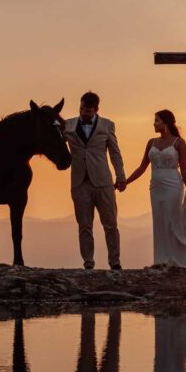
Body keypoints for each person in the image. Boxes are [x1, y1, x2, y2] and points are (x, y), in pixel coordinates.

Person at [122, 109, 186, 267]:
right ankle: (160, 259)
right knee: (159, 220)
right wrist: (126, 181)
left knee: (171, 220)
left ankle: (175, 259)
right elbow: (142, 167)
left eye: (157, 121)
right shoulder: (151, 142)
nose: (154, 123)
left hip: (173, 185)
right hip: (156, 186)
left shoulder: (179, 143)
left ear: (165, 123)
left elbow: (184, 167)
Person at [63, 91, 127, 270]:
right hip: (79, 182)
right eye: (82, 108)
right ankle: (88, 263)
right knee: (84, 225)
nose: (84, 113)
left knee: (111, 224)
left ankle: (115, 262)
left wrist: (120, 176)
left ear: (96, 110)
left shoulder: (107, 126)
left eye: (88, 111)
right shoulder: (67, 125)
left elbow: (115, 152)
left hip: (103, 182)